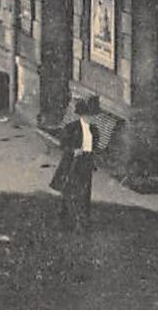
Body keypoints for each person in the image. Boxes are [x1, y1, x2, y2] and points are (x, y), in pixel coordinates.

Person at [51, 98, 99, 228]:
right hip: (73, 161)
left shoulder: (94, 130)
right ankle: (66, 214)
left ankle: (84, 216)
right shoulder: (72, 127)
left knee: (86, 189)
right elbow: (63, 143)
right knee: (70, 187)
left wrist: (92, 155)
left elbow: (95, 146)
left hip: (86, 161)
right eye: (88, 116)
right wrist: (73, 150)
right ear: (82, 115)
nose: (91, 119)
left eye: (93, 116)